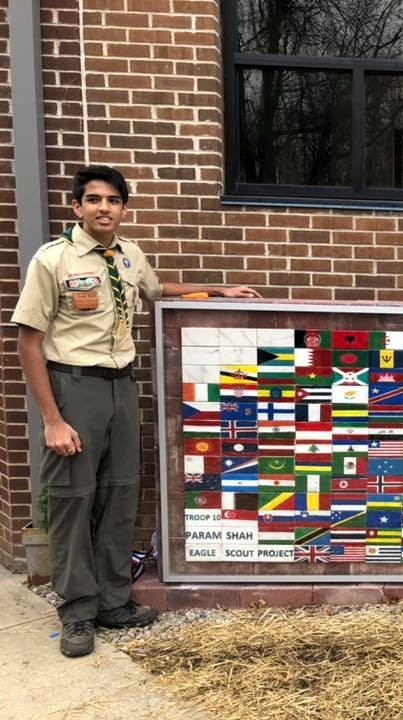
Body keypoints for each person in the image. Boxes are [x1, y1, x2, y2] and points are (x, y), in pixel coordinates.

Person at [13, 165, 262, 657]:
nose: (104, 207)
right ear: (77, 207)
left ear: (124, 208)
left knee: (120, 493)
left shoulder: (128, 255)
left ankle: (113, 600)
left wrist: (216, 290)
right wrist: (52, 417)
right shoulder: (53, 260)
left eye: (113, 200)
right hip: (74, 386)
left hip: (121, 387)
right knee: (72, 500)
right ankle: (78, 613)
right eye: (94, 199)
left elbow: (156, 290)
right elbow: (28, 341)